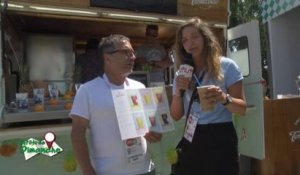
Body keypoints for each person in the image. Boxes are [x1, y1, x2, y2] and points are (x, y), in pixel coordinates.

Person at [70, 34, 162, 175]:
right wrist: (87, 171)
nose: (132, 57)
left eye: (133, 52)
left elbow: (152, 126)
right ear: (107, 57)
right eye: (126, 52)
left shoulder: (140, 87)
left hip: (145, 169)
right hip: (108, 171)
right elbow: (77, 133)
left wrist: (155, 133)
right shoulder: (87, 90)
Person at [170, 17, 247, 175]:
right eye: (184, 40)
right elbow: (176, 115)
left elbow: (242, 109)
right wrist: (178, 91)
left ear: (205, 38)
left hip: (220, 135)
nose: (190, 43)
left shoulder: (227, 66)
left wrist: (223, 98)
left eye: (194, 37)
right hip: (192, 135)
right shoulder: (181, 73)